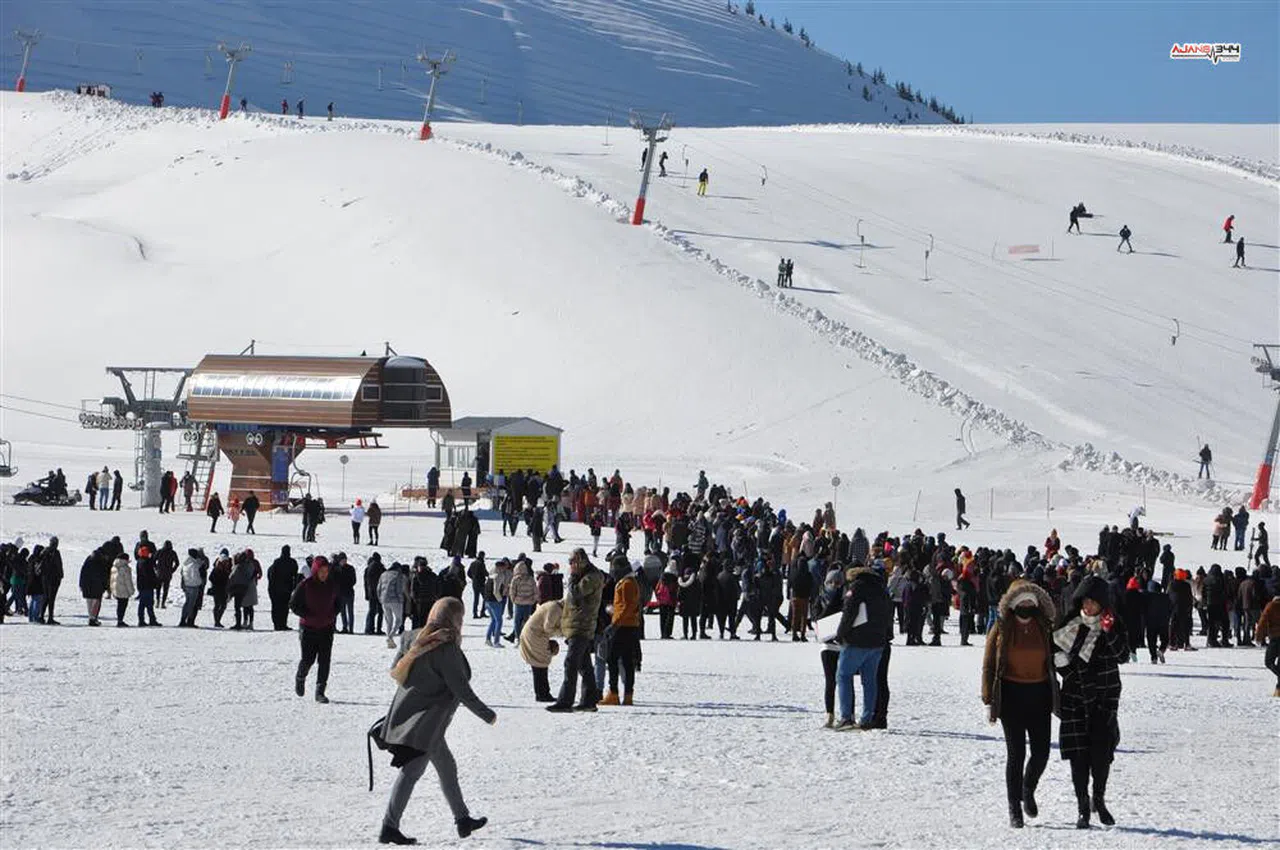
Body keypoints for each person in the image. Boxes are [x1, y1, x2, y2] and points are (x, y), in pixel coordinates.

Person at [380, 597, 495, 844]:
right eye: (460, 618)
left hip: (412, 716)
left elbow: (396, 670)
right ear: (453, 619)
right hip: (425, 724)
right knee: (412, 772)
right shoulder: (445, 648)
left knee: (446, 766)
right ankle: (389, 826)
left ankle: (463, 819)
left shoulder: (412, 637)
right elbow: (462, 689)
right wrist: (488, 715)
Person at [1054, 575, 1128, 829]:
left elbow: (1123, 655)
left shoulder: (1113, 624)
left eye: (1093, 602)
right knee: (1079, 758)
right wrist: (1065, 668)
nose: (1088, 606)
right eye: (1085, 600)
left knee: (1101, 757)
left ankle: (1099, 799)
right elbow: (1056, 658)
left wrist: (1109, 632)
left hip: (1104, 700)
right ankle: (1083, 807)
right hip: (1075, 700)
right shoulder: (1069, 625)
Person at [982, 579, 1057, 828]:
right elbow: (989, 664)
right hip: (1011, 696)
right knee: (1016, 754)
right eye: (1021, 601)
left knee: (1042, 753)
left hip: (1039, 695)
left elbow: (1059, 656)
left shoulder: (1043, 626)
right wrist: (988, 699)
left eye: (1030, 601)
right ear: (1012, 604)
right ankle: (1014, 806)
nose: (1026, 605)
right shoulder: (1002, 628)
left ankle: (1028, 788)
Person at [833, 566, 891, 730]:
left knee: (843, 675)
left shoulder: (857, 587)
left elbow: (849, 613)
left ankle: (846, 717)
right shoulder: (881, 588)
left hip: (857, 640)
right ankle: (867, 718)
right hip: (878, 641)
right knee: (870, 680)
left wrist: (840, 634)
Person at [547, 549, 605, 712]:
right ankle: (589, 701)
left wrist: (572, 578)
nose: (570, 566)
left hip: (582, 625)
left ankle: (565, 702)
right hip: (576, 625)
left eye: (572, 563)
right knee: (583, 666)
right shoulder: (586, 576)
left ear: (580, 562)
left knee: (571, 663)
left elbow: (575, 594)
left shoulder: (591, 577)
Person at [291, 555, 340, 703]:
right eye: (321, 571)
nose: (324, 574)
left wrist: (332, 614)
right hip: (308, 628)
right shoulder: (306, 585)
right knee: (308, 659)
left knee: (325, 661)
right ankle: (300, 677)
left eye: (326, 571)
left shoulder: (332, 585)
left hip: (326, 628)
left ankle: (320, 691)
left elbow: (339, 602)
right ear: (316, 570)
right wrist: (306, 615)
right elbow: (293, 604)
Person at [601, 556, 642, 706]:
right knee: (626, 661)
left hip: (623, 627)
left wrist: (614, 624)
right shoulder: (629, 582)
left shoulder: (627, 584)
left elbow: (626, 607)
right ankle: (628, 694)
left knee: (612, 659)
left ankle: (613, 693)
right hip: (628, 625)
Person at [520, 599, 564, 701]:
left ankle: (543, 693)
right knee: (540, 665)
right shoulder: (555, 609)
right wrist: (562, 632)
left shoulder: (554, 606)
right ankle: (542, 694)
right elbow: (548, 628)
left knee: (540, 665)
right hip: (535, 636)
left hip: (535, 635)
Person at [378, 562, 411, 648]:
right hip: (395, 601)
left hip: (384, 600)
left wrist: (380, 598)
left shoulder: (383, 574)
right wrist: (402, 600)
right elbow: (399, 589)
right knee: (399, 620)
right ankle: (390, 637)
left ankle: (390, 641)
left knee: (389, 621)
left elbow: (379, 588)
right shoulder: (398, 575)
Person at [267, 546, 298, 631]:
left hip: (276, 589)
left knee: (276, 608)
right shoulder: (292, 562)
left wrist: (271, 588)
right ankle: (283, 624)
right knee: (285, 608)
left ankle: (277, 625)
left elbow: (271, 575)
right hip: (287, 589)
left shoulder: (277, 562)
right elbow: (295, 576)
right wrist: (293, 587)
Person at [1255, 594, 1280, 696]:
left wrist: (1258, 637)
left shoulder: (1271, 606)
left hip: (1275, 638)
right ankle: (1278, 690)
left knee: (1268, 661)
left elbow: (1262, 621)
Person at [79, 548, 107, 626]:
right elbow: (104, 576)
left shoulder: (88, 561)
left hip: (87, 585)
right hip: (97, 586)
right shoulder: (101, 563)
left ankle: (91, 617)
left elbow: (82, 574)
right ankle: (93, 618)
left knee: (89, 602)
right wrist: (105, 586)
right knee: (96, 602)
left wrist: (81, 584)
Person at [178, 548, 205, 627]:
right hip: (194, 586)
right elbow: (196, 576)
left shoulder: (186, 563)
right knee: (191, 604)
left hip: (187, 585)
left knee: (187, 603)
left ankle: (183, 620)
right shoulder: (194, 564)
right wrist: (200, 583)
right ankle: (189, 621)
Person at [110, 552, 135, 628]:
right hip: (124, 590)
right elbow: (128, 581)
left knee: (119, 605)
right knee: (123, 606)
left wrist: (112, 590)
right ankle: (120, 620)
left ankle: (119, 620)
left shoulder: (114, 567)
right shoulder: (125, 568)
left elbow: (111, 579)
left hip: (116, 589)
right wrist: (131, 591)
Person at [365, 553, 387, 635]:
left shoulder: (369, 568)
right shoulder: (381, 567)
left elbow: (366, 582)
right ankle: (378, 629)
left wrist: (367, 593)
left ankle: (370, 628)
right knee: (380, 612)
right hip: (380, 593)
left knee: (372, 611)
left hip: (371, 593)